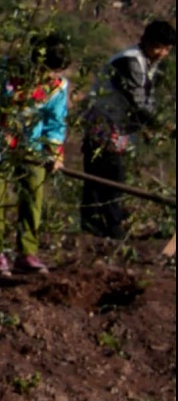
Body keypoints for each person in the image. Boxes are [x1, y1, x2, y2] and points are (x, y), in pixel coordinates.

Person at [0, 34, 72, 275]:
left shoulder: (56, 87)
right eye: (48, 71)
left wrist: (54, 152)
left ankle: (27, 253)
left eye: (57, 72)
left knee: (34, 196)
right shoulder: (3, 73)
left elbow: (55, 122)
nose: (52, 77)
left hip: (32, 148)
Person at [81, 20, 175, 240]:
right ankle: (108, 227)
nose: (162, 54)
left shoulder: (145, 62)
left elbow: (143, 100)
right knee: (110, 177)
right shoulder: (130, 62)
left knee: (101, 177)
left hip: (117, 126)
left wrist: (147, 127)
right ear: (147, 41)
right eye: (159, 47)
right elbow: (137, 102)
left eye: (167, 50)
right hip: (105, 124)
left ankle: (97, 225)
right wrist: (164, 126)